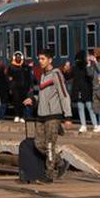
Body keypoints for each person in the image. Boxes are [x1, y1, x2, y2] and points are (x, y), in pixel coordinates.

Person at [24, 49, 71, 181]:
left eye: (43, 59)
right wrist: (33, 100)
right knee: (39, 144)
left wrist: (67, 116)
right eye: (39, 59)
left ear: (50, 60)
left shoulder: (56, 74)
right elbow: (42, 96)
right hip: (41, 115)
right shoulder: (43, 75)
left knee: (50, 145)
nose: (40, 61)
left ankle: (49, 174)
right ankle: (60, 163)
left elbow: (64, 94)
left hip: (53, 115)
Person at [70, 50, 97, 131]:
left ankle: (95, 124)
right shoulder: (75, 67)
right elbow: (69, 76)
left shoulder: (88, 66)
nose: (88, 57)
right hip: (80, 90)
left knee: (89, 108)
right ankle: (84, 125)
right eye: (87, 56)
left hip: (86, 90)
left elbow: (90, 75)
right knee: (81, 107)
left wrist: (89, 65)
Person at [5, 51, 32, 122]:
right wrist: (10, 86)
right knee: (16, 101)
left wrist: (29, 86)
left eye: (19, 57)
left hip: (24, 87)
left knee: (23, 102)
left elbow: (29, 77)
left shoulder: (25, 66)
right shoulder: (11, 67)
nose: (18, 58)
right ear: (14, 58)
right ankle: (17, 115)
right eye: (17, 57)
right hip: (15, 87)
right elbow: (8, 77)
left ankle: (22, 116)